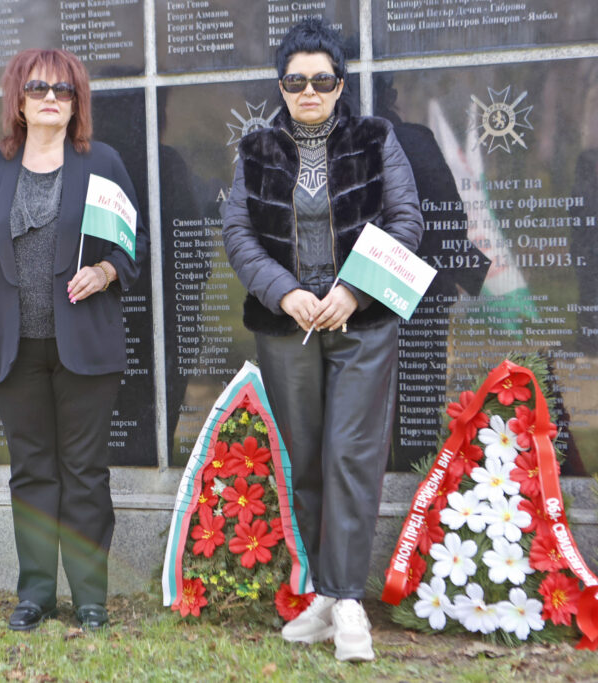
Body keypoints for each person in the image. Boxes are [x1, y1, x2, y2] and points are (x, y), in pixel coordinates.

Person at [221, 18, 423, 661]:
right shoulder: (256, 150)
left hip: (361, 325)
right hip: (289, 328)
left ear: (340, 84)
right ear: (280, 86)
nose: (309, 91)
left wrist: (353, 291)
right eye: (295, 81)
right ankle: (327, 595)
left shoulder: (375, 138)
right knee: (304, 459)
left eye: (322, 80)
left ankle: (348, 603)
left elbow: (406, 221)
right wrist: (285, 292)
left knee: (351, 456)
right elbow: (238, 234)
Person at [0, 48, 148, 632]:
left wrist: (107, 271)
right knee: (32, 472)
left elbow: (133, 244)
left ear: (76, 103)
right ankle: (36, 594)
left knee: (85, 472)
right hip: (15, 348)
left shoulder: (102, 164)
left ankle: (90, 597)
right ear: (18, 100)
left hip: (85, 346)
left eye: (63, 90)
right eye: (38, 88)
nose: (50, 98)